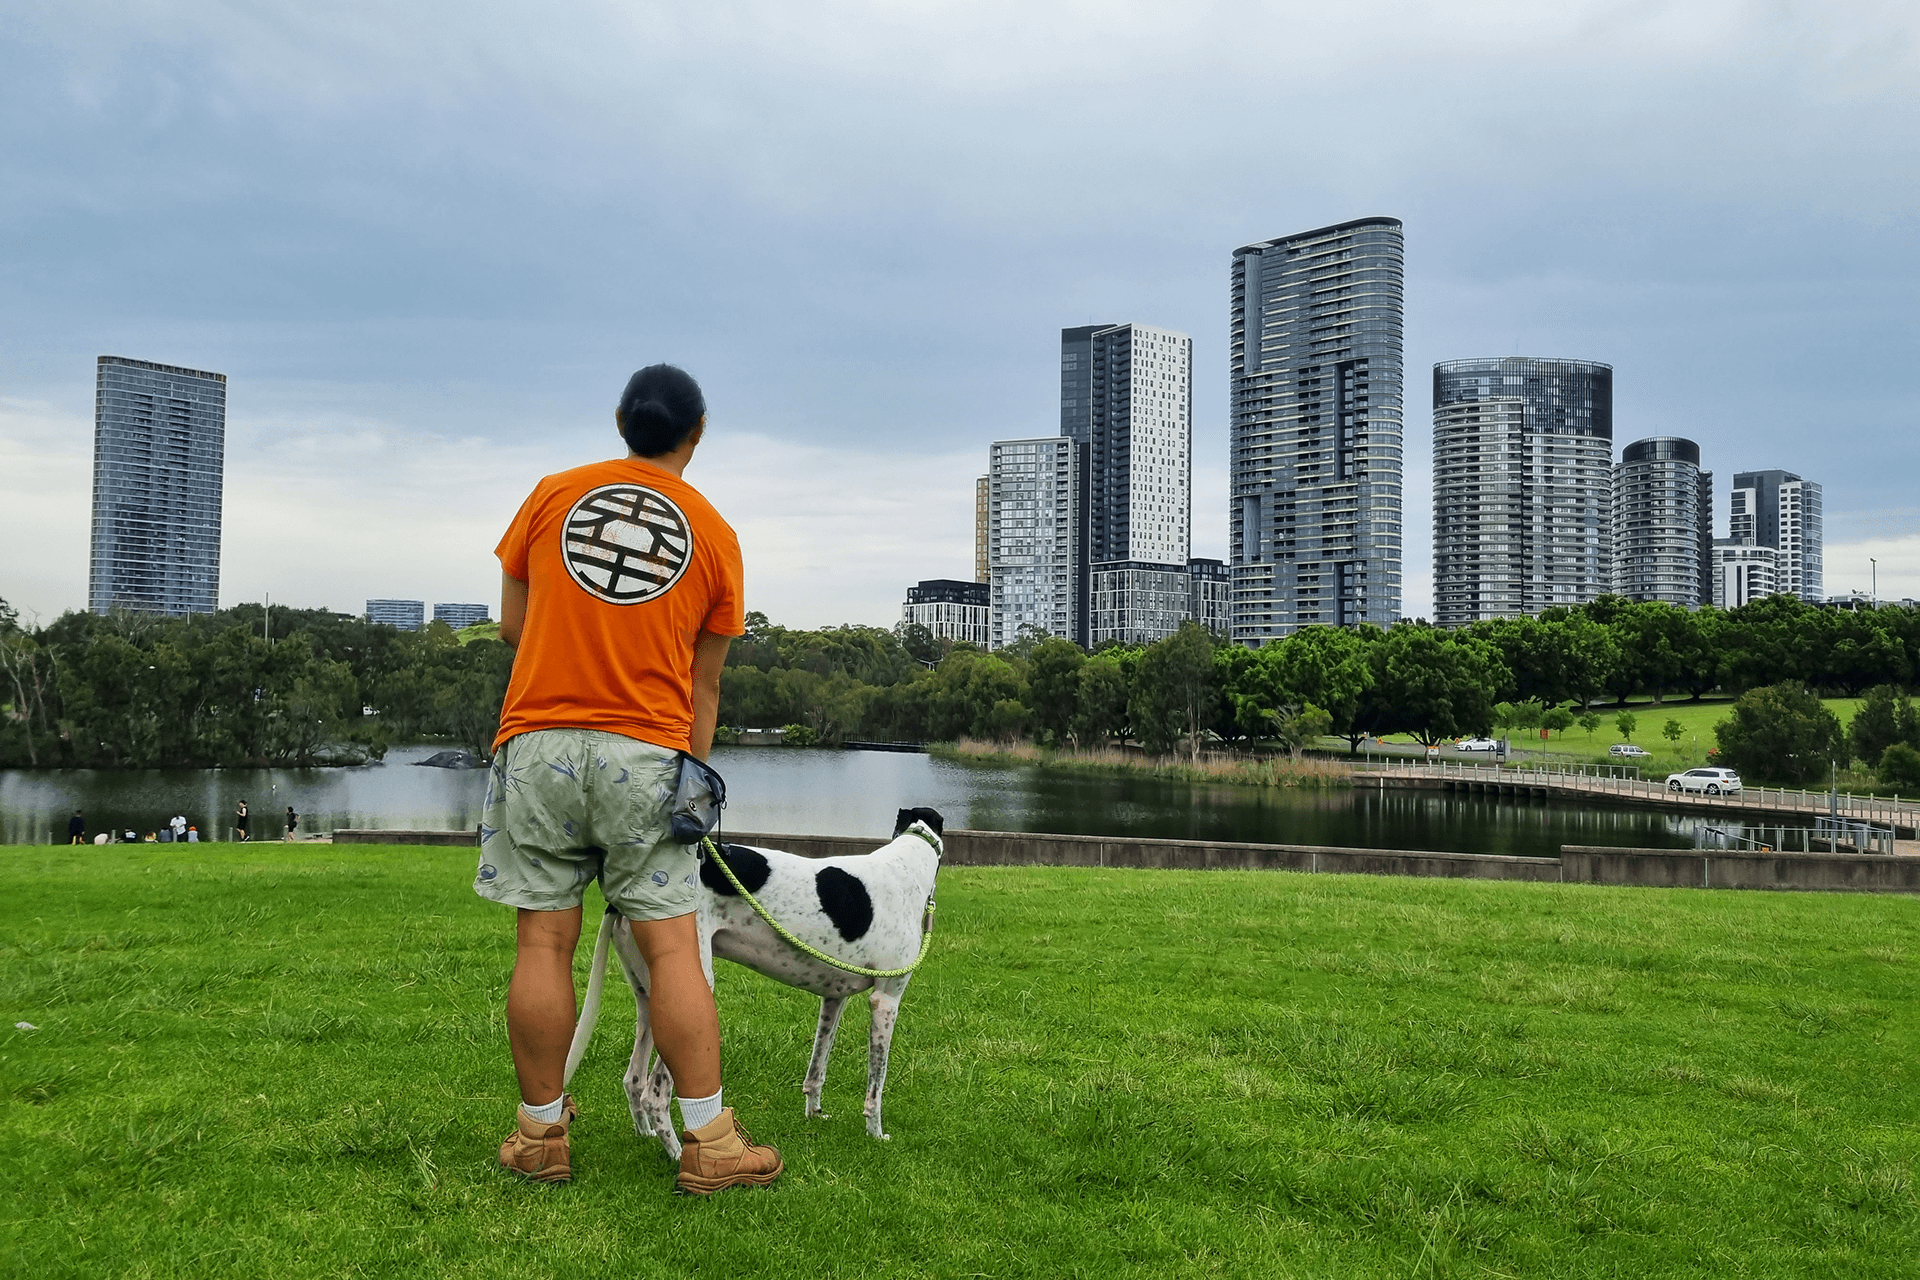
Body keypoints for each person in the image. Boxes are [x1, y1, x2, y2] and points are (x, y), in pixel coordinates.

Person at [480, 363, 776, 1195]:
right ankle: (711, 1140)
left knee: (543, 940)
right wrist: (694, 778)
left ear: (619, 420)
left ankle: (540, 1135)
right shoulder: (715, 534)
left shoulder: (550, 495)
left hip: (537, 743)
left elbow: (513, 625)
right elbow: (705, 684)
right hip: (647, 752)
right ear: (699, 431)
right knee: (672, 946)